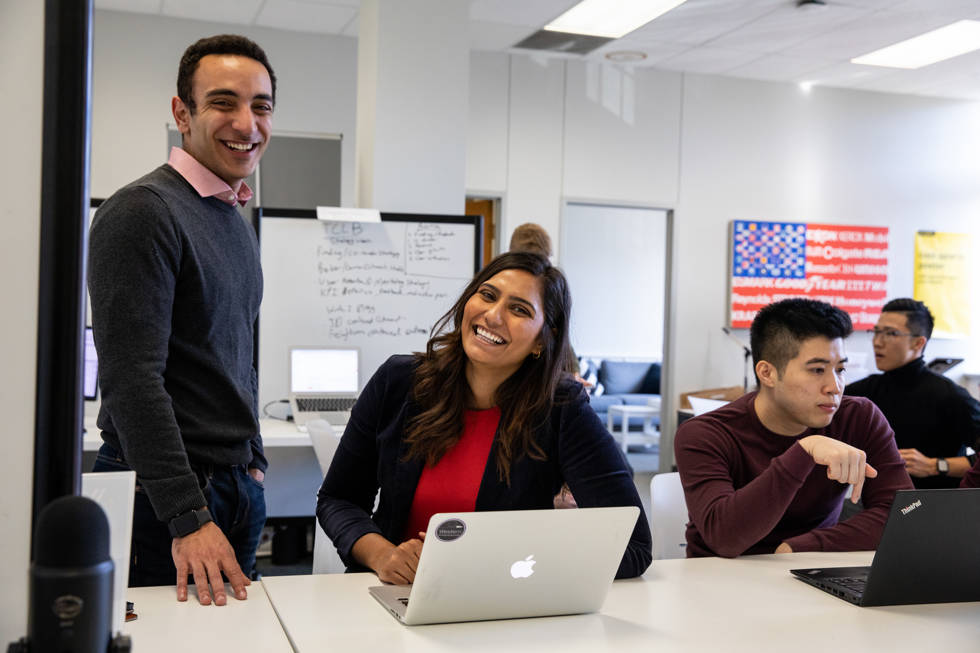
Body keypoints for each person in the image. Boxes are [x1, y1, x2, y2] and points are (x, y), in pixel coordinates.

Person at [316, 252, 652, 582]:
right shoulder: (398, 382)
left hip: (501, 605)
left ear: (542, 339)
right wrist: (383, 555)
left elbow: (633, 545)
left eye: (519, 309)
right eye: (487, 295)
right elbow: (339, 498)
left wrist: (519, 563)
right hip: (393, 591)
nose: (493, 315)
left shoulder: (561, 407)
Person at [88, 34, 275, 606]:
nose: (246, 123)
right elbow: (132, 380)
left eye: (261, 106)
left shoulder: (230, 217)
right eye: (224, 102)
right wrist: (187, 515)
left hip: (233, 483)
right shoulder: (144, 211)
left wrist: (255, 457)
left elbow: (235, 354)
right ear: (182, 113)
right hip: (167, 495)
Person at [674, 298, 912, 558]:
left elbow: (904, 511)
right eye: (817, 370)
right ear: (767, 373)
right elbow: (725, 539)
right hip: (717, 578)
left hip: (809, 569)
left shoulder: (859, 417)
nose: (835, 386)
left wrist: (804, 546)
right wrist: (804, 451)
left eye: (840, 369)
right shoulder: (704, 434)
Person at [845, 298, 980, 488]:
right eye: (876, 332)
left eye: (890, 333)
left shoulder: (950, 396)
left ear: (918, 343)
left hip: (932, 505)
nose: (877, 342)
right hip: (875, 503)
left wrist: (935, 465)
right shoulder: (863, 391)